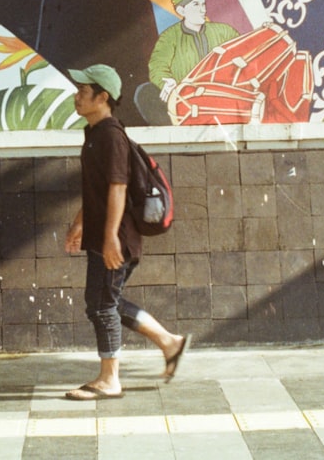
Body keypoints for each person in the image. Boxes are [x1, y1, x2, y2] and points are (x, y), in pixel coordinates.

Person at [63, 63, 191, 401]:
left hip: (116, 238)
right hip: (104, 234)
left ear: (102, 97)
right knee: (104, 302)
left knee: (103, 305)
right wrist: (79, 223)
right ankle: (169, 342)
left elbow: (118, 189)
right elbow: (97, 189)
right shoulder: (95, 134)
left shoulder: (111, 136)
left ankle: (109, 379)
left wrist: (109, 238)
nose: (76, 97)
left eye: (83, 92)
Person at [149, 0, 240, 104]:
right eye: (196, 4)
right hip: (188, 102)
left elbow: (244, 50)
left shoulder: (224, 31)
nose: (203, 10)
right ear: (181, 10)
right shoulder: (169, 38)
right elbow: (157, 67)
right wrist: (166, 81)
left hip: (227, 98)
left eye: (203, 4)